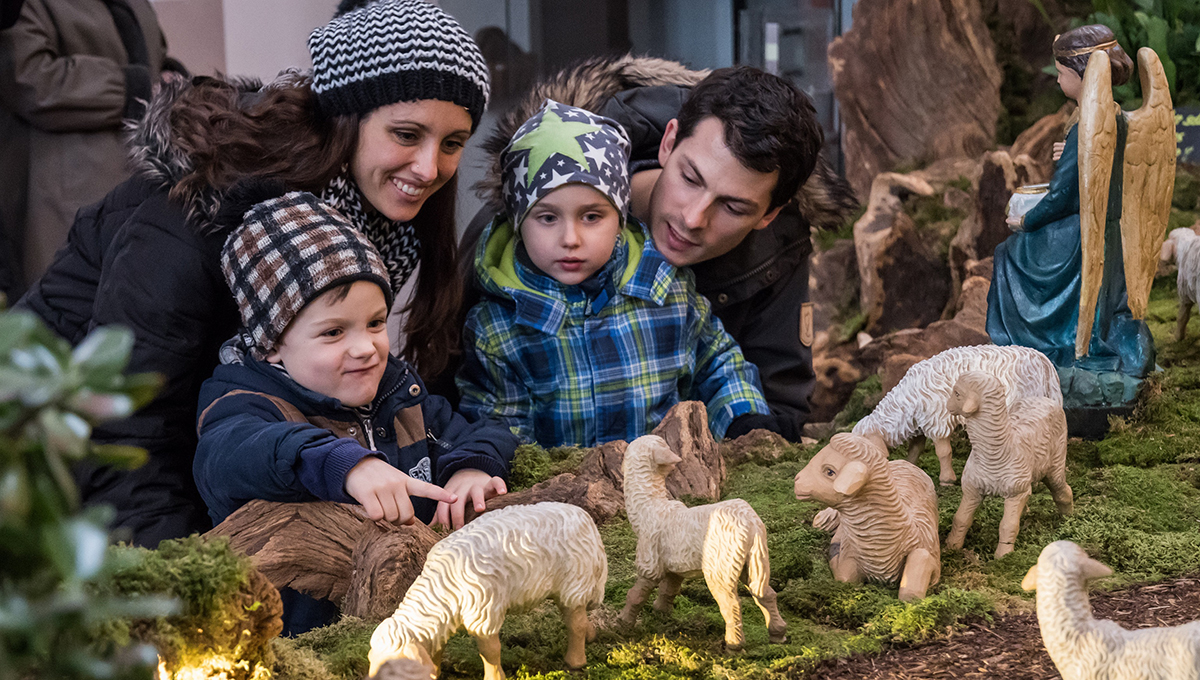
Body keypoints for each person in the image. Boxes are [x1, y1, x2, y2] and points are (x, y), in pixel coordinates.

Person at [16, 0, 491, 547]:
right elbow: (129, 429)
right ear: (345, 119)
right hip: (45, 449)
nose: (430, 168)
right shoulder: (202, 214)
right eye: (407, 135)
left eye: (452, 143)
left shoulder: (376, 219)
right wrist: (186, 589)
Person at [456, 60, 856, 440]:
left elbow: (774, 404)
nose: (694, 217)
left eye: (733, 207)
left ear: (770, 213)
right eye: (690, 178)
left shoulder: (776, 248)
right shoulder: (515, 224)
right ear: (668, 142)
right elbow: (461, 404)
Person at [195, 190, 514, 531]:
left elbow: (485, 431)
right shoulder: (243, 406)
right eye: (333, 332)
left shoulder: (401, 395)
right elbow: (227, 458)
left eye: (375, 323)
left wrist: (470, 469)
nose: (365, 348)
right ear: (272, 343)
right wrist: (344, 464)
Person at [457, 100, 769, 446]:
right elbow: (499, 424)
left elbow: (717, 363)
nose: (570, 239)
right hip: (564, 492)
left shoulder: (666, 290)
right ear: (518, 224)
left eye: (592, 217)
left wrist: (744, 419)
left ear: (620, 220)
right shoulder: (497, 327)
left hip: (670, 483)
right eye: (547, 218)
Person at [987, 24, 1154, 379]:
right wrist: (1077, 156)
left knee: (1008, 254)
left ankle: (1030, 342)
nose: (1059, 81)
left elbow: (1063, 197)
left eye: (1062, 74)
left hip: (1078, 236)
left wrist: (1026, 222)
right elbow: (1107, 162)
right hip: (1106, 231)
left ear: (1084, 75)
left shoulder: (1086, 127)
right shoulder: (1116, 116)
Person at [0, 0, 171, 285]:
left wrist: (170, 77)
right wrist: (135, 87)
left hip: (141, 190)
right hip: (66, 201)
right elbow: (31, 80)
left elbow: (156, 56)